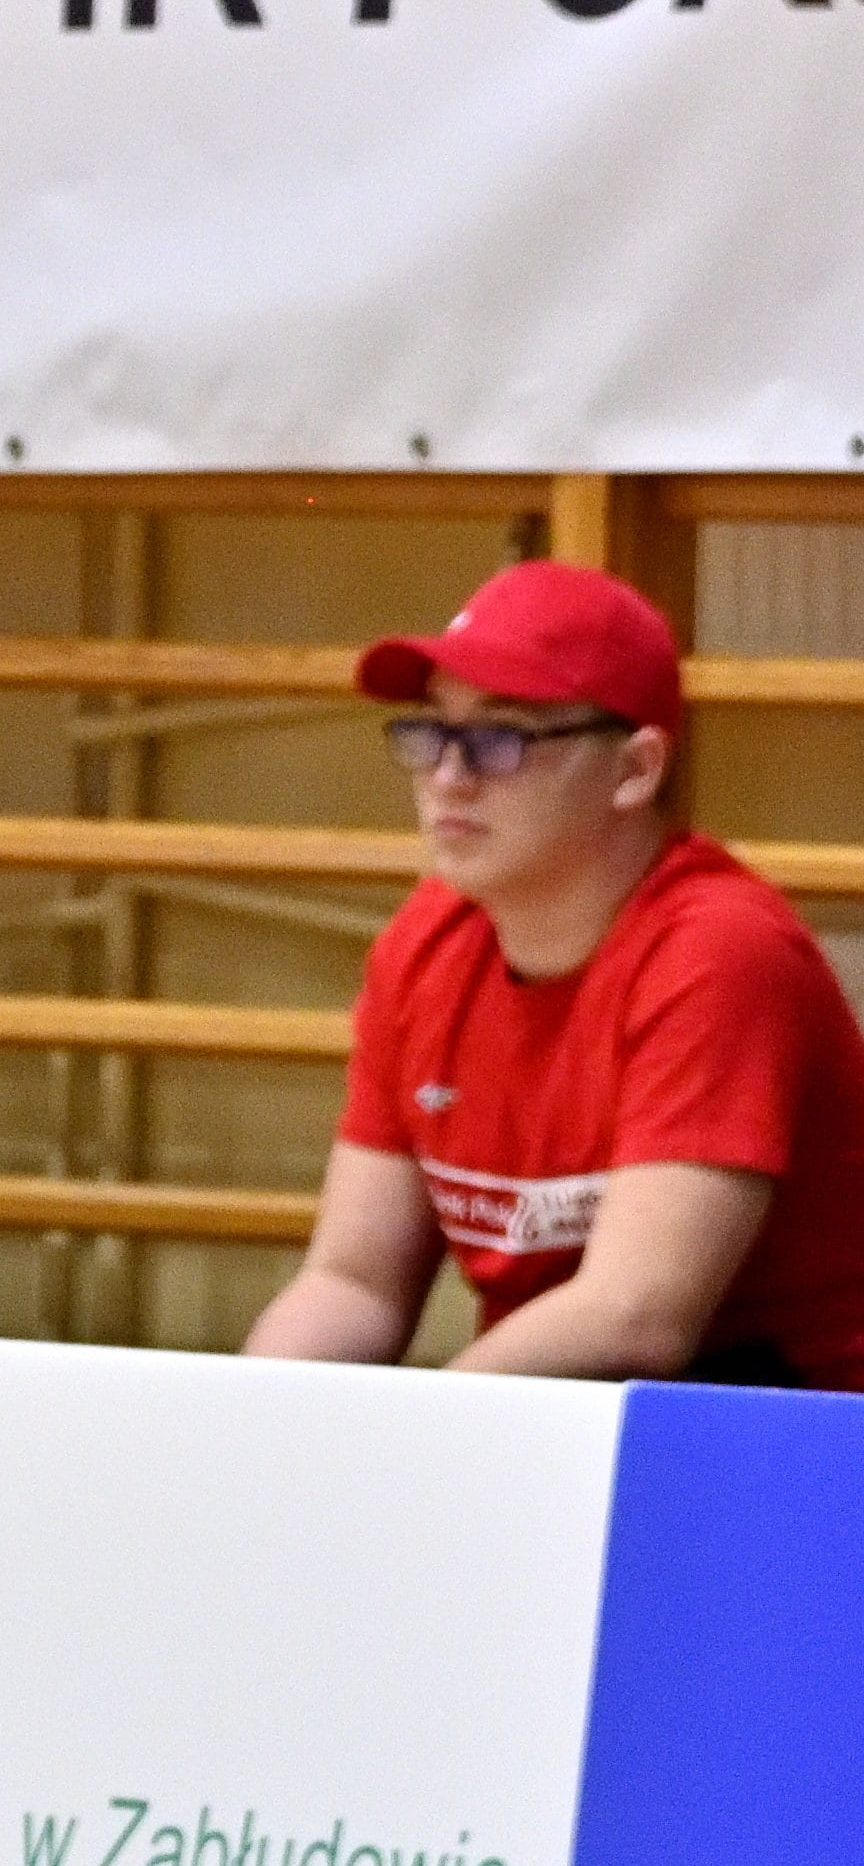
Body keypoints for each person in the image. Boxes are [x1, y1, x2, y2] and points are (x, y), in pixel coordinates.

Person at [246, 561, 864, 1387]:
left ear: (635, 770)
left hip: (791, 1425)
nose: (449, 777)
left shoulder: (721, 952)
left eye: (501, 738)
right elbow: (355, 1282)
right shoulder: (424, 946)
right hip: (568, 1414)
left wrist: (431, 1436)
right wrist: (253, 1419)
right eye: (433, 733)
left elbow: (635, 1317)